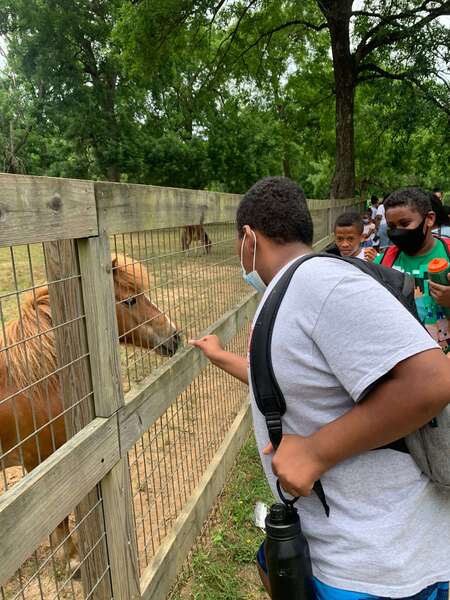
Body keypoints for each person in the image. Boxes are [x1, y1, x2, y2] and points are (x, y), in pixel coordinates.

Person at [190, 177, 450, 600]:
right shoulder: (293, 292)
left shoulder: (321, 286)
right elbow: (302, 383)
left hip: (373, 563)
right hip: (349, 543)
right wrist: (222, 358)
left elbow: (433, 380)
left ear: (248, 239)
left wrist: (315, 452)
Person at [373, 187, 450, 353]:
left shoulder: (448, 253)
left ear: (429, 219)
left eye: (405, 224)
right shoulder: (383, 262)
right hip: (406, 361)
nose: (398, 232)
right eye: (392, 226)